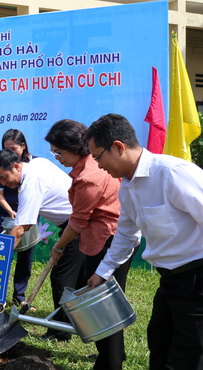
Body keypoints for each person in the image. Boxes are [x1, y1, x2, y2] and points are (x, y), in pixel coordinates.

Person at [86, 114, 203, 370]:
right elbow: (126, 235)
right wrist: (101, 273)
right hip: (170, 281)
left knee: (189, 355)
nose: (98, 166)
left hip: (197, 280)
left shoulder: (172, 174)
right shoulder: (127, 187)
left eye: (98, 157)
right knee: (159, 344)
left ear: (118, 147)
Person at [45, 119, 136, 369]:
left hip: (109, 242)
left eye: (59, 152)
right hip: (101, 240)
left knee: (107, 305)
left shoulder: (89, 176)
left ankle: (111, 361)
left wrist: (59, 246)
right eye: (53, 152)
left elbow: (76, 222)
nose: (56, 158)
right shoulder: (85, 168)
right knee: (103, 300)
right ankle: (111, 356)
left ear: (75, 149)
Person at [0, 148, 86, 342]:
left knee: (62, 278)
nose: (3, 183)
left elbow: (19, 229)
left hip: (79, 226)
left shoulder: (30, 185)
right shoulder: (36, 164)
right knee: (77, 279)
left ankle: (60, 334)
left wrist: (1, 257)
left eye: (4, 177)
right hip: (77, 223)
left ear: (16, 166)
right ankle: (81, 323)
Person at [0, 129, 36, 314]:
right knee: (3, 257)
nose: (9, 152)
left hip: (28, 215)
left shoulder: (34, 165)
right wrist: (11, 212)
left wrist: (24, 215)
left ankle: (19, 296)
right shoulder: (1, 165)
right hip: (7, 216)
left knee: (25, 258)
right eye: (6, 148)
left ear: (23, 146)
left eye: (13, 148)